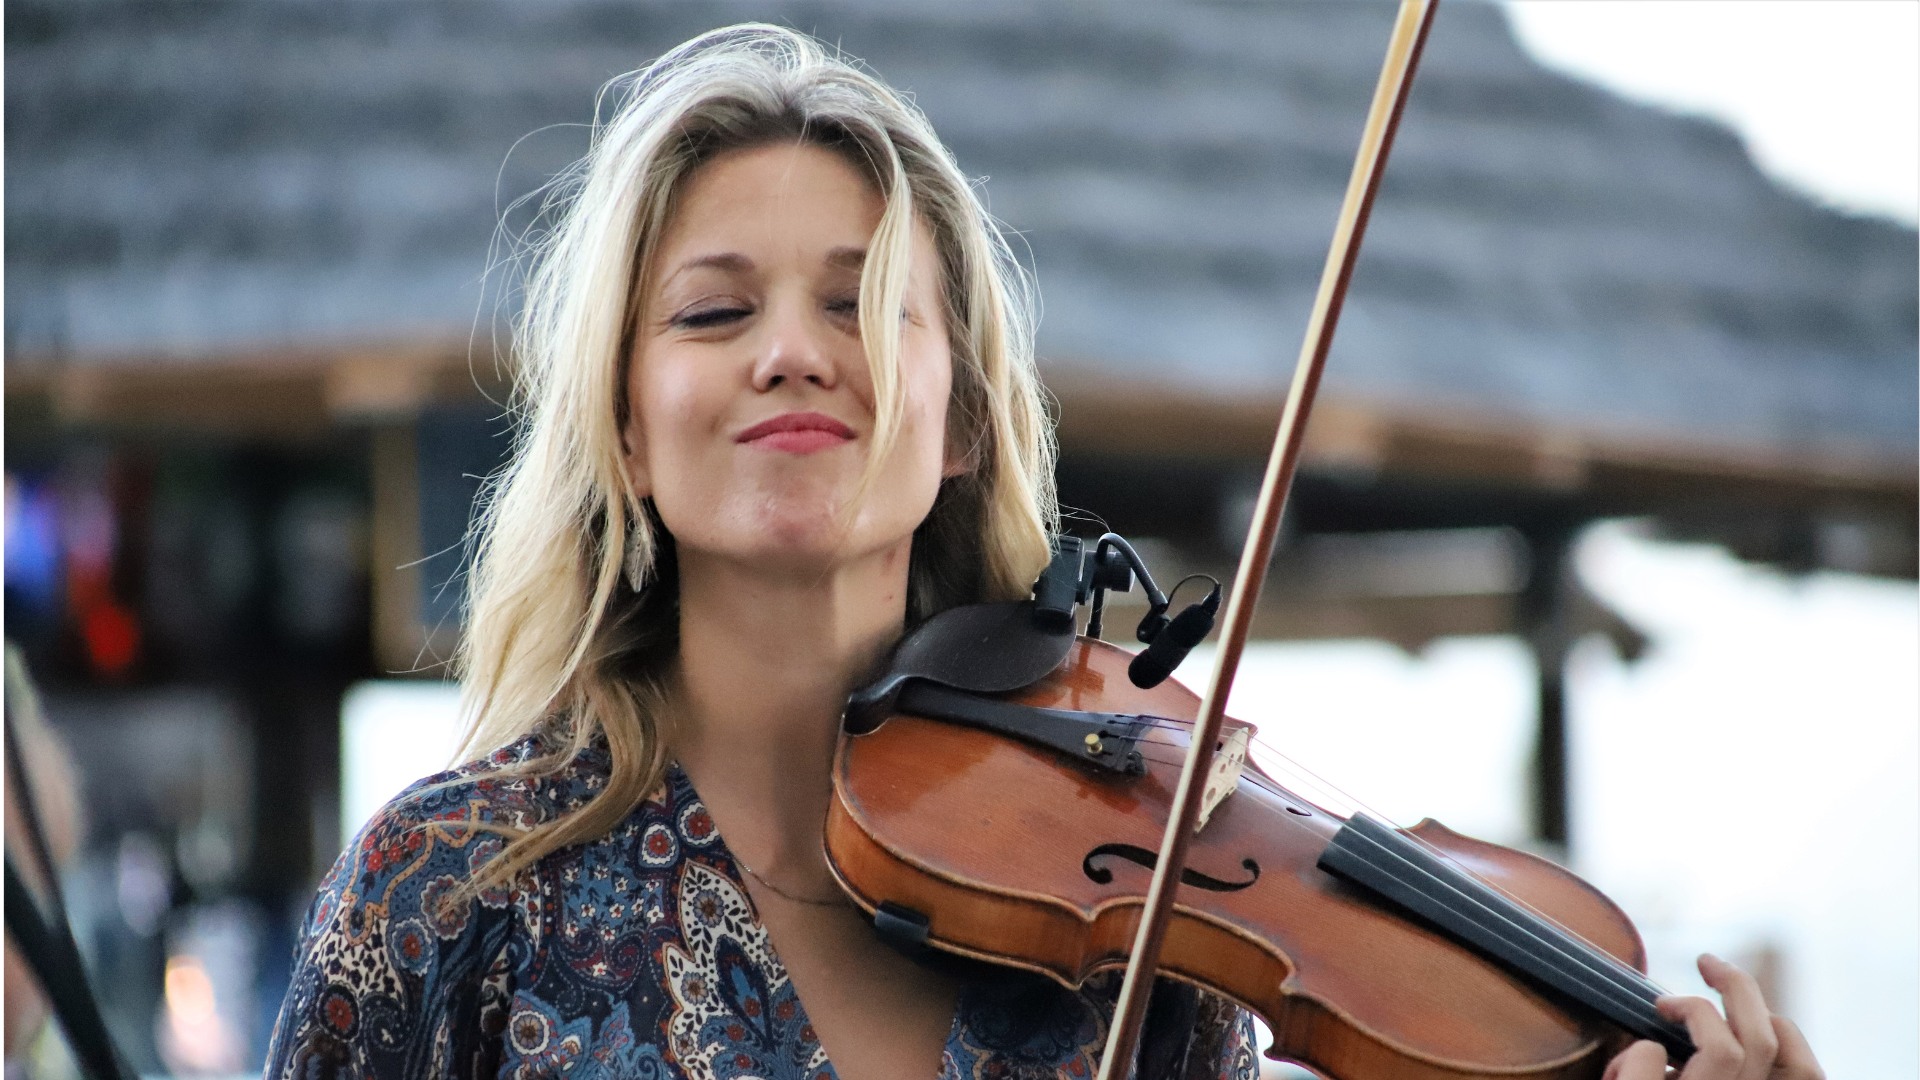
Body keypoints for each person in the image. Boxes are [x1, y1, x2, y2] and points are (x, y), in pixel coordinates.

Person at [265, 24, 1822, 1080]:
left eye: (866, 309)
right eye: (714, 310)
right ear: (621, 427)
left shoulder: (1145, 955)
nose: (793, 355)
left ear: (957, 425)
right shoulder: (442, 891)